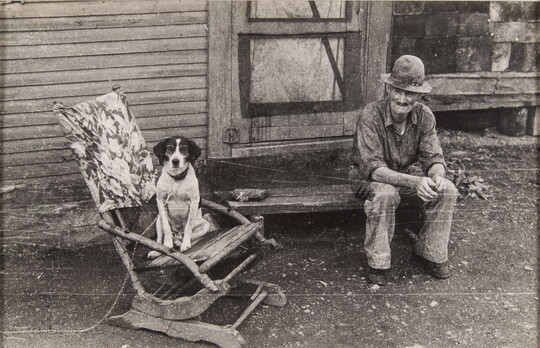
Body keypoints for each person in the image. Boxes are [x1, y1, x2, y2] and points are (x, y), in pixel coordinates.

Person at [350, 55, 459, 286]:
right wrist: (415, 182)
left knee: (447, 189)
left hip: (403, 178)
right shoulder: (371, 115)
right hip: (369, 180)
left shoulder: (425, 116)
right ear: (389, 88)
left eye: (409, 93)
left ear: (419, 95)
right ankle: (377, 263)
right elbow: (375, 170)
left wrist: (437, 175)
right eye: (397, 91)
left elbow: (434, 157)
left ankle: (429, 253)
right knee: (386, 193)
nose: (402, 99)